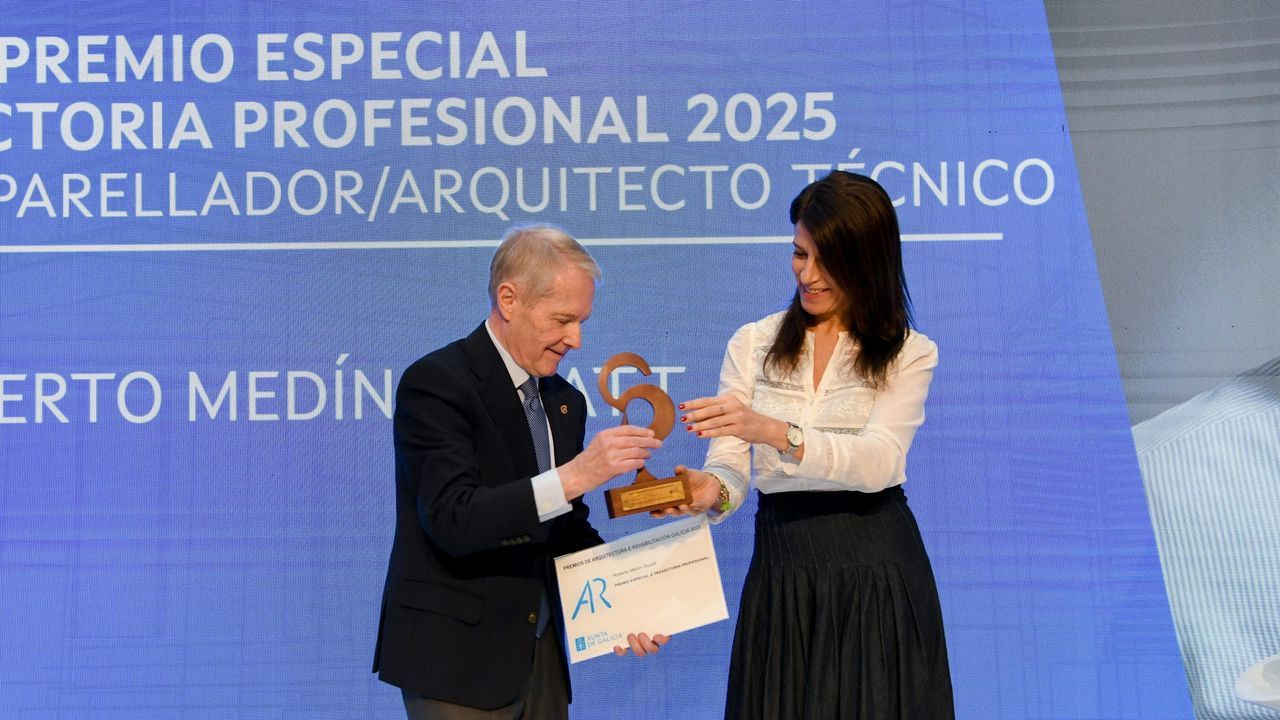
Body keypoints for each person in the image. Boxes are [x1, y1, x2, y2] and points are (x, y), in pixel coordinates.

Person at [671, 171, 955, 718]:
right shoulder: (752, 342)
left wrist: (774, 431)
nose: (810, 275)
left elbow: (880, 462)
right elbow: (730, 470)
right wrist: (707, 492)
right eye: (800, 254)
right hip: (783, 571)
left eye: (829, 261)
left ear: (868, 262)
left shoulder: (909, 352)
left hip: (878, 572)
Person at [373, 225, 667, 720]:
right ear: (509, 299)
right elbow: (453, 518)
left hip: (540, 655)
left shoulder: (564, 401)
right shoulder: (437, 383)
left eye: (582, 322)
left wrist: (622, 601)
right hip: (457, 661)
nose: (576, 339)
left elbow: (563, 525)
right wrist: (577, 474)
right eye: (562, 320)